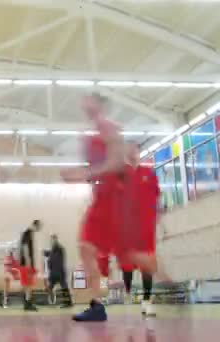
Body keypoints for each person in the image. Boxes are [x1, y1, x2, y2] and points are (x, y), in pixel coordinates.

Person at [61, 94, 163, 322]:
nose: (84, 104)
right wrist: (81, 174)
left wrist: (84, 174)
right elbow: (100, 167)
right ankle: (97, 305)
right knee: (87, 249)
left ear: (100, 105)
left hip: (113, 200)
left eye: (90, 101)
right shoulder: (92, 134)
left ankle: (159, 276)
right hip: (101, 198)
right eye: (84, 100)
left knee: (126, 253)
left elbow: (115, 164)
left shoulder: (109, 129)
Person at [125, 142, 161, 316]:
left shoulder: (148, 173)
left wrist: (159, 217)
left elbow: (156, 197)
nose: (132, 154)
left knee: (147, 266)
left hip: (145, 229)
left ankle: (147, 300)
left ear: (139, 153)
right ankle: (128, 292)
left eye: (134, 150)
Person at [18, 220, 41, 311]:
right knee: (28, 284)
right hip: (26, 264)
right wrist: (28, 262)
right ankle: (28, 304)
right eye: (38, 227)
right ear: (35, 225)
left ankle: (27, 303)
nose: (39, 229)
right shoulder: (28, 233)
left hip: (25, 264)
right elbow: (25, 247)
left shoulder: (28, 233)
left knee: (27, 284)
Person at [47, 234, 73, 308]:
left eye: (53, 239)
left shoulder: (60, 248)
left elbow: (59, 261)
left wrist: (57, 270)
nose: (51, 241)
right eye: (51, 240)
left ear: (56, 239)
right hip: (53, 272)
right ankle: (52, 300)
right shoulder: (53, 249)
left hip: (59, 272)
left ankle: (68, 303)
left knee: (64, 287)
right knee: (50, 287)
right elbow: (50, 260)